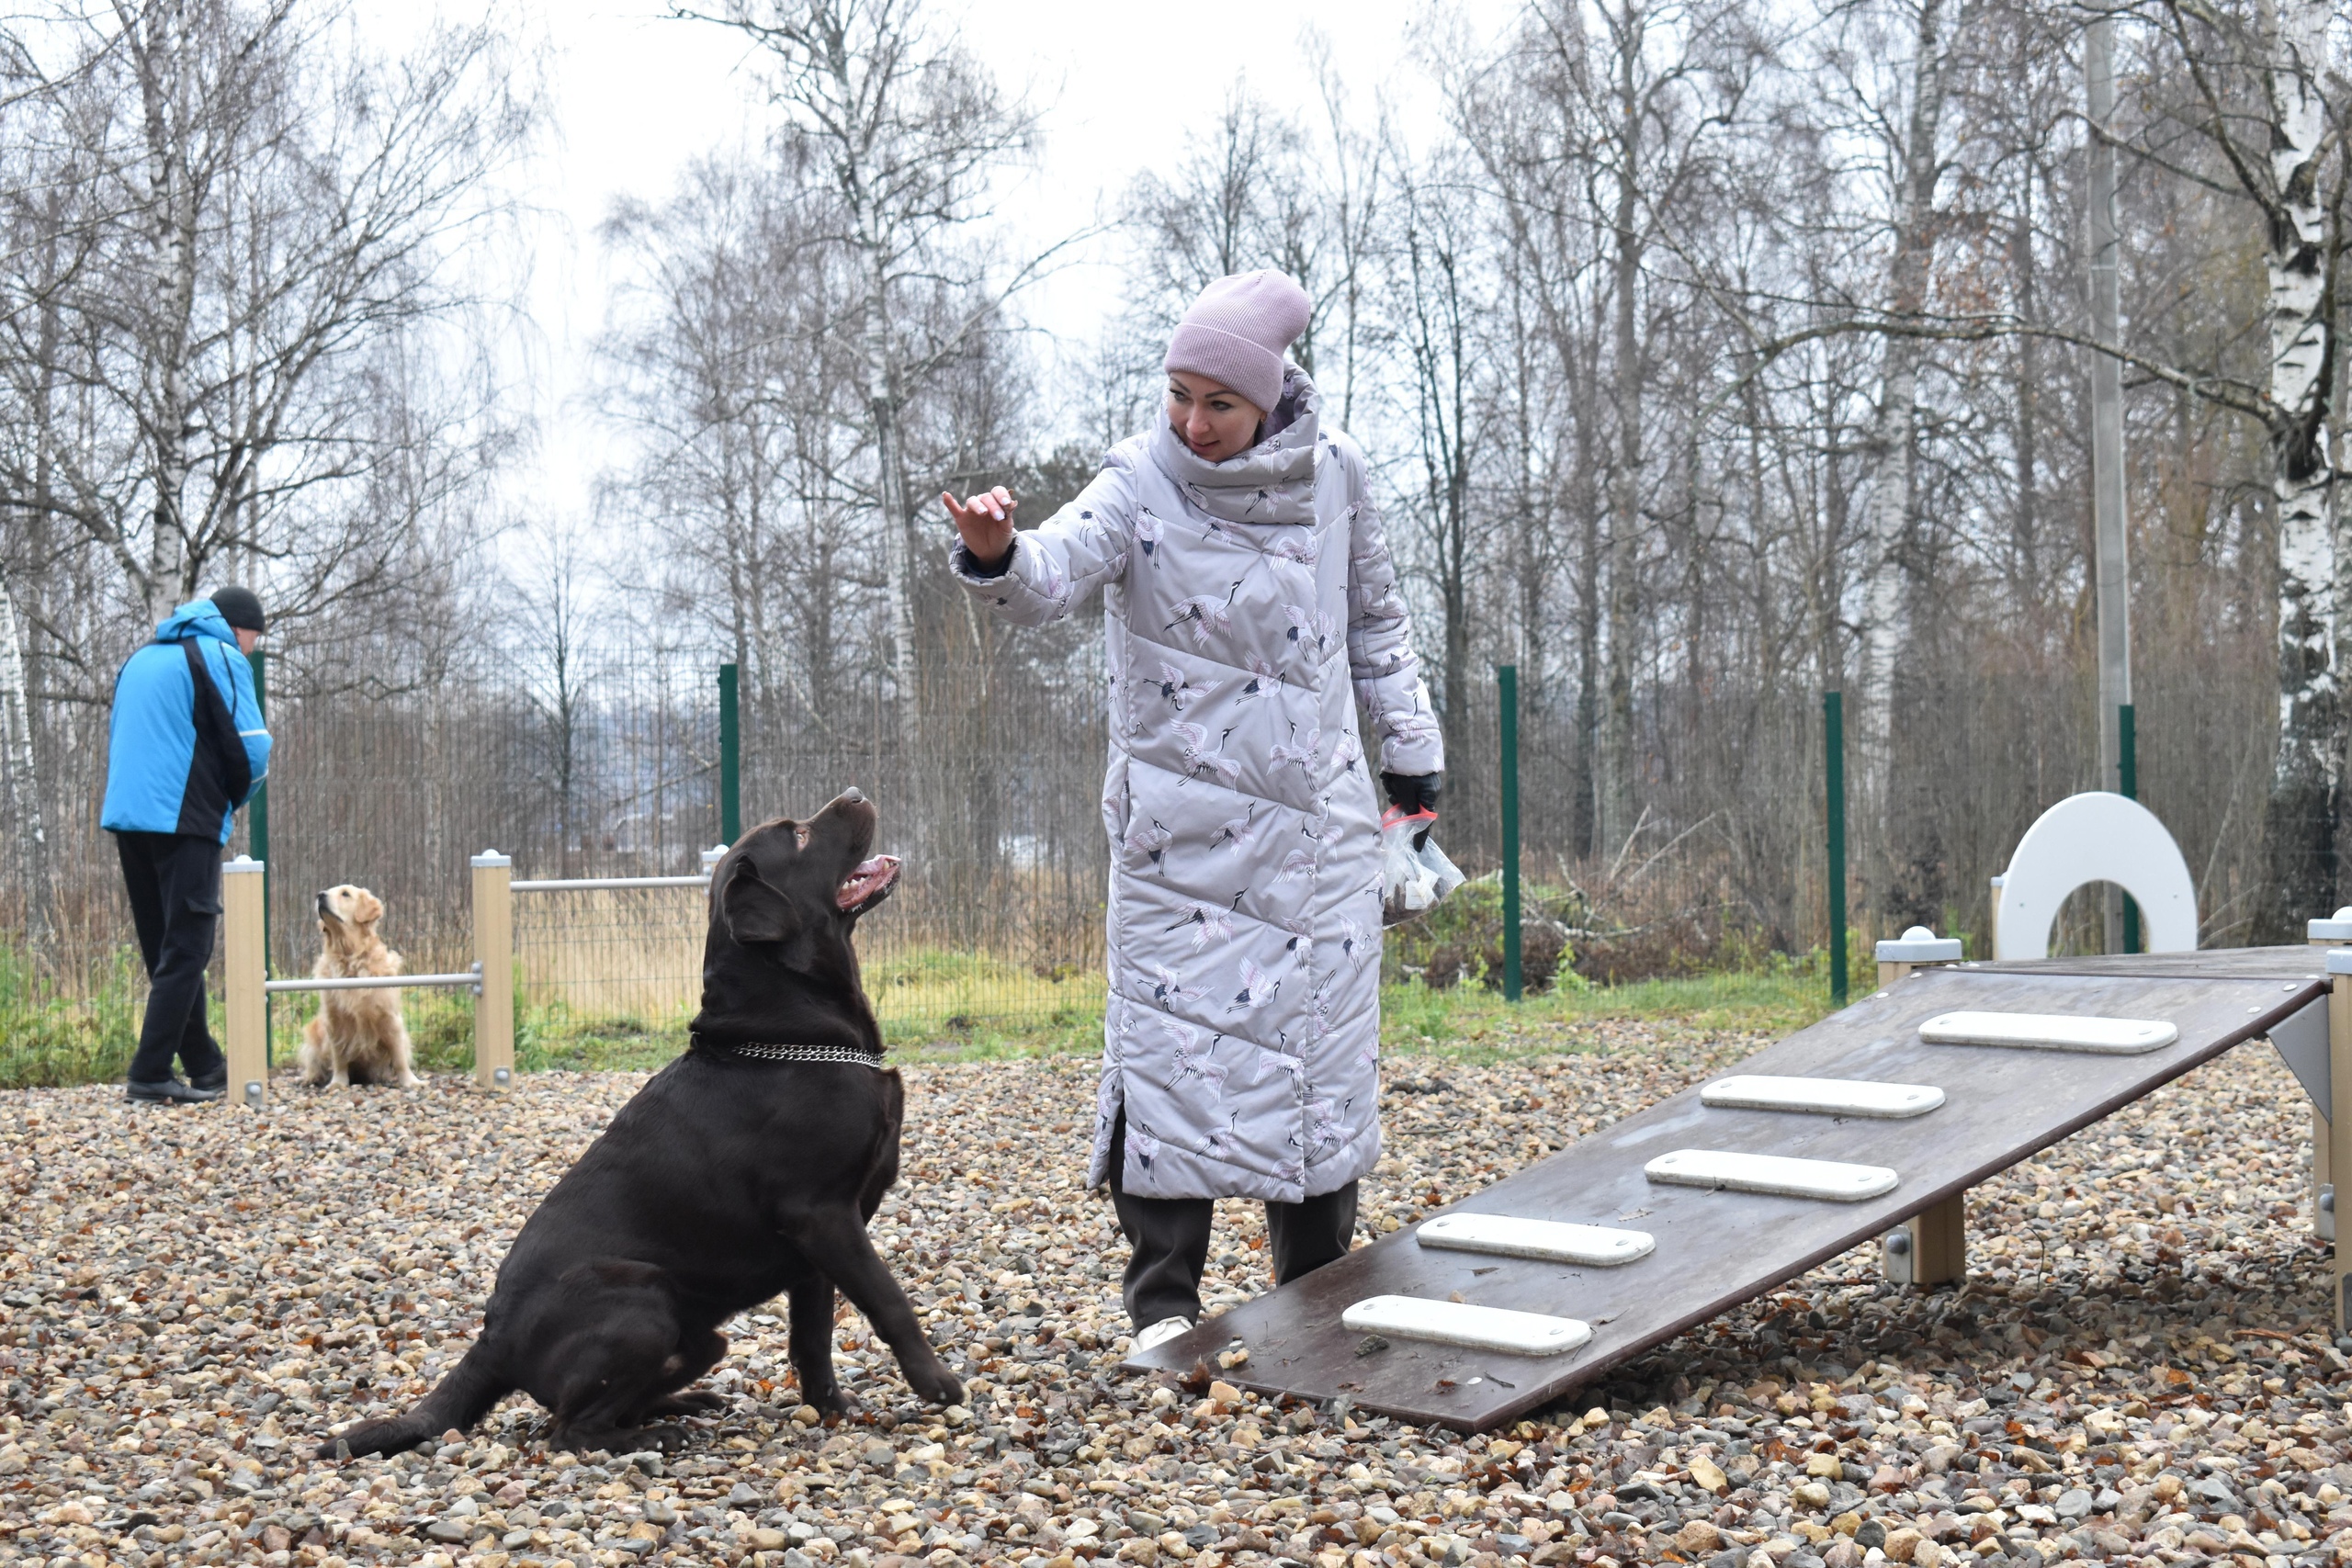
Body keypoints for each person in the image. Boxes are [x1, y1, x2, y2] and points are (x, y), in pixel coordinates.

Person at [943, 271, 1443, 1349]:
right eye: (1178, 394)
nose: (1193, 422)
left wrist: (1412, 765)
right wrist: (995, 554)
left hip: (1316, 838)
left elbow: (1378, 623)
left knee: (1314, 1065)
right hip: (1178, 843)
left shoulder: (1336, 474)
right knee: (1171, 1057)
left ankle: (1318, 1297)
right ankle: (1164, 1308)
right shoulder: (1139, 477)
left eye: (1219, 403)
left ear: (1269, 399)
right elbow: (1051, 574)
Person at [100, 588, 274, 1105]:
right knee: (189, 947)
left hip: (129, 815)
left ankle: (205, 1065)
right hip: (184, 816)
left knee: (166, 947)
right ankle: (150, 1072)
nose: (251, 649)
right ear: (238, 629)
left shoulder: (141, 658)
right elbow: (252, 748)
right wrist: (230, 800)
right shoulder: (219, 652)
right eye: (254, 639)